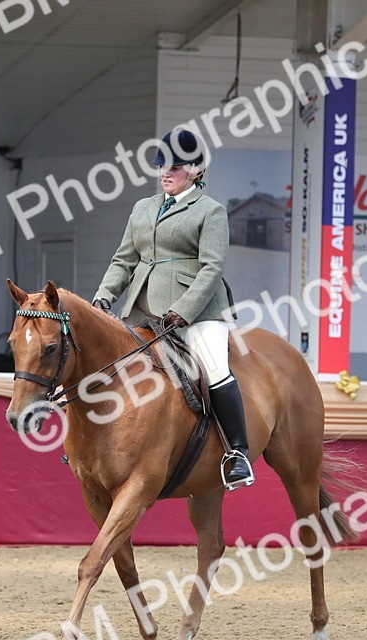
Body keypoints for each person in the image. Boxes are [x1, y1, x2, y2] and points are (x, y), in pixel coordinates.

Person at [92, 129, 254, 490]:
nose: (166, 172)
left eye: (175, 167)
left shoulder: (210, 211)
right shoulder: (142, 208)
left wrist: (185, 309)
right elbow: (124, 260)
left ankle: (237, 454)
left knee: (213, 368)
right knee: (109, 366)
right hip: (142, 308)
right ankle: (93, 446)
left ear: (196, 170)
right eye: (162, 165)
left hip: (198, 311)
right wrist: (104, 296)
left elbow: (212, 267)